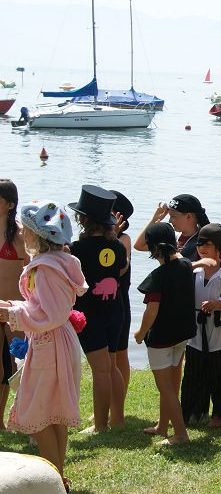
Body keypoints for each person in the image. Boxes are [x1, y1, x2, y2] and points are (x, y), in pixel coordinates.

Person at [0, 201, 87, 490]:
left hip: (50, 343)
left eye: (25, 230)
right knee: (54, 412)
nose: (21, 233)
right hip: (58, 341)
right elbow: (45, 307)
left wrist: (11, 314)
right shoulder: (58, 263)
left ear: (38, 235)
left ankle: (54, 480)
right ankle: (58, 477)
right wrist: (13, 304)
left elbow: (51, 313)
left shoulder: (46, 270)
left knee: (40, 415)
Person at [68, 185, 128, 432]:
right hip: (116, 310)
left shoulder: (76, 250)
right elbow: (122, 270)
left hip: (89, 315)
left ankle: (101, 426)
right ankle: (118, 418)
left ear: (83, 219)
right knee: (111, 365)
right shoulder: (116, 246)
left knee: (100, 370)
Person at [135, 222, 196, 445]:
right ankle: (163, 426)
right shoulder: (186, 265)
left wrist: (141, 333)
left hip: (161, 339)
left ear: (152, 249)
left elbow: (152, 311)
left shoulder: (159, 276)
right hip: (182, 334)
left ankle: (180, 434)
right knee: (172, 383)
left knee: (165, 387)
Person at [182, 224, 221, 427]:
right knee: (194, 371)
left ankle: (219, 413)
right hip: (196, 329)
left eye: (207, 244)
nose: (202, 248)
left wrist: (220, 303)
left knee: (219, 372)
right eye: (199, 243)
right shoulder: (192, 270)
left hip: (219, 330)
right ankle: (193, 410)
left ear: (219, 247)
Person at [0, 179, 26, 431]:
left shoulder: (18, 235)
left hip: (15, 311)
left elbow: (35, 269)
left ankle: (25, 419)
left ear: (9, 204)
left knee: (19, 367)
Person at [109, 190, 134, 406]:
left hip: (119, 302)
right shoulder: (92, 238)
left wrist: (113, 236)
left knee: (119, 354)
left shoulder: (123, 239)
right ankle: (108, 398)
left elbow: (121, 269)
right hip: (99, 303)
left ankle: (119, 401)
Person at [134, 194, 209, 262]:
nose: (169, 221)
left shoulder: (204, 242)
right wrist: (154, 220)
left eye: (173, 216)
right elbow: (139, 246)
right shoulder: (172, 236)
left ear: (189, 216)